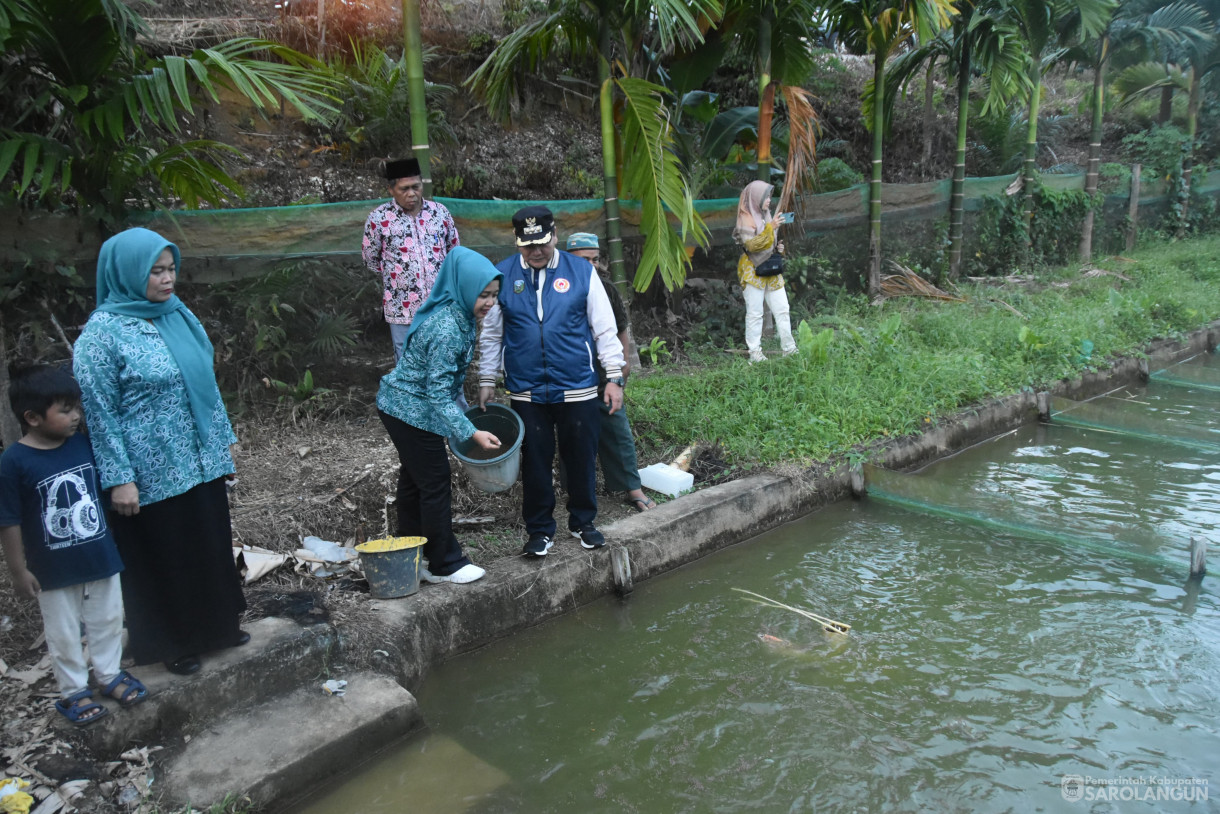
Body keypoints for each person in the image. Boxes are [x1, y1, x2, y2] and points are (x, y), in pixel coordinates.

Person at [73, 228, 248, 677]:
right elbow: (100, 414)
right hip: (149, 469)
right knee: (166, 553)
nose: (167, 279)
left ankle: (218, 628)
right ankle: (175, 641)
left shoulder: (177, 313)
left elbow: (203, 381)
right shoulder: (102, 335)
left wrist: (222, 439)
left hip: (197, 457)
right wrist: (119, 478)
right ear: (129, 272)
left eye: (171, 269)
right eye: (156, 271)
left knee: (206, 542)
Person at [0, 366, 148, 726]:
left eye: (75, 407)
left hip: (99, 555)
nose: (75, 416)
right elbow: (8, 521)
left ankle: (109, 674)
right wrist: (19, 571)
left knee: (109, 618)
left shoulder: (83, 445)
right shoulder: (13, 462)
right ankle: (73, 691)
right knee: (64, 631)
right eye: (64, 410)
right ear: (32, 418)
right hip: (52, 569)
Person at [477, 206, 626, 557]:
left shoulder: (581, 272)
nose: (537, 251)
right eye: (529, 246)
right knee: (535, 459)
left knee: (581, 456)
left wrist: (614, 377)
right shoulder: (502, 273)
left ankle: (583, 522)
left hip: (578, 386)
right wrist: (486, 378)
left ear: (555, 235)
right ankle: (540, 530)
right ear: (518, 243)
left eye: (543, 243)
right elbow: (491, 333)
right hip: (527, 390)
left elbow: (605, 329)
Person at [377, 247, 503, 585]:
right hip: (409, 410)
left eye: (494, 295)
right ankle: (444, 562)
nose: (489, 303)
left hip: (410, 407)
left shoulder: (460, 314)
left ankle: (411, 555)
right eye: (483, 295)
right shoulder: (448, 328)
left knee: (415, 481)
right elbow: (437, 392)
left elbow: (444, 385)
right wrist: (470, 432)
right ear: (463, 287)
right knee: (434, 482)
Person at [565, 233, 656, 512]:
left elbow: (620, 329)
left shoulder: (607, 288)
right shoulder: (559, 288)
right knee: (573, 434)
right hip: (571, 374)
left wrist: (623, 363)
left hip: (605, 371)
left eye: (595, 259)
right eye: (584, 260)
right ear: (569, 260)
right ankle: (577, 492)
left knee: (617, 428)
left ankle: (632, 488)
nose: (591, 265)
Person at [362, 157, 461, 362]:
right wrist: (401, 276)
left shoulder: (440, 213)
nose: (411, 194)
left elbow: (454, 251)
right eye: (404, 189)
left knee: (446, 362)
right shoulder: (379, 219)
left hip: (441, 305)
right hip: (401, 309)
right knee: (409, 367)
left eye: (416, 187)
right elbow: (370, 259)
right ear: (391, 190)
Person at [733, 180, 796, 363]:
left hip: (772, 269)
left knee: (783, 309)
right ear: (755, 197)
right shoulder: (746, 218)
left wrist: (779, 248)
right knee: (755, 313)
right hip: (752, 270)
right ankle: (755, 354)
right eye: (765, 196)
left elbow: (768, 243)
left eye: (769, 196)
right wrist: (772, 228)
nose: (769, 200)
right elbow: (752, 244)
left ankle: (790, 349)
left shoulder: (767, 215)